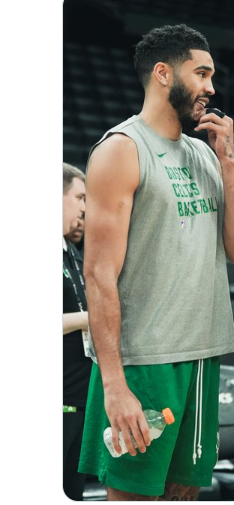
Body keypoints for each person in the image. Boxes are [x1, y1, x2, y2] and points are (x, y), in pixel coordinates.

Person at [78, 24, 234, 501]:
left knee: (183, 495)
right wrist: (114, 385)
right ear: (163, 73)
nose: (211, 87)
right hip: (145, 362)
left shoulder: (205, 153)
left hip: (203, 354)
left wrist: (229, 162)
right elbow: (98, 275)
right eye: (201, 73)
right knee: (135, 496)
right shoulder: (121, 149)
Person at [63, 163, 92, 500]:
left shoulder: (71, 250)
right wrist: (91, 319)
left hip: (80, 399)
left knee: (74, 493)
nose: (85, 207)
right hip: (60, 400)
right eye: (79, 197)